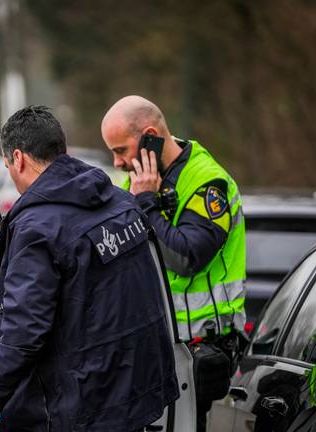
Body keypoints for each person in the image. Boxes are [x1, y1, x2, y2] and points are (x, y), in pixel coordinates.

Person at [0, 106, 179, 432]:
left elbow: (24, 332)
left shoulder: (37, 227)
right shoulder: (120, 203)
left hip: (78, 409)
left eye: (7, 166)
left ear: (19, 159)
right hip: (134, 396)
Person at [101, 95, 246, 430]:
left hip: (200, 354)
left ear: (151, 135)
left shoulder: (208, 183)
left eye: (121, 150)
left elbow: (186, 257)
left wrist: (147, 204)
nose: (118, 163)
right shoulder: (138, 183)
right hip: (157, 349)